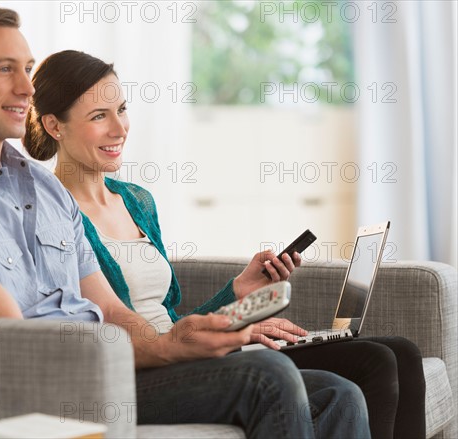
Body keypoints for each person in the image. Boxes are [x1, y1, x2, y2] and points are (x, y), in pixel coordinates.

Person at [0, 6, 371, 439]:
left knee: (337, 394)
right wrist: (165, 351)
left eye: (27, 69)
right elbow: (19, 347)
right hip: (57, 391)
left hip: (111, 367)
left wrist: (170, 340)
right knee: (268, 375)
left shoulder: (43, 187)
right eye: (5, 69)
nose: (27, 88)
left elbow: (112, 311)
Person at [23, 50, 426, 439]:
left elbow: (172, 321)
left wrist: (238, 293)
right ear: (55, 126)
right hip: (137, 370)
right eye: (99, 116)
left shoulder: (136, 200)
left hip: (177, 353)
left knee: (392, 357)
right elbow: (118, 327)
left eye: (122, 110)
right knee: (343, 381)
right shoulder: (50, 211)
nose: (119, 128)